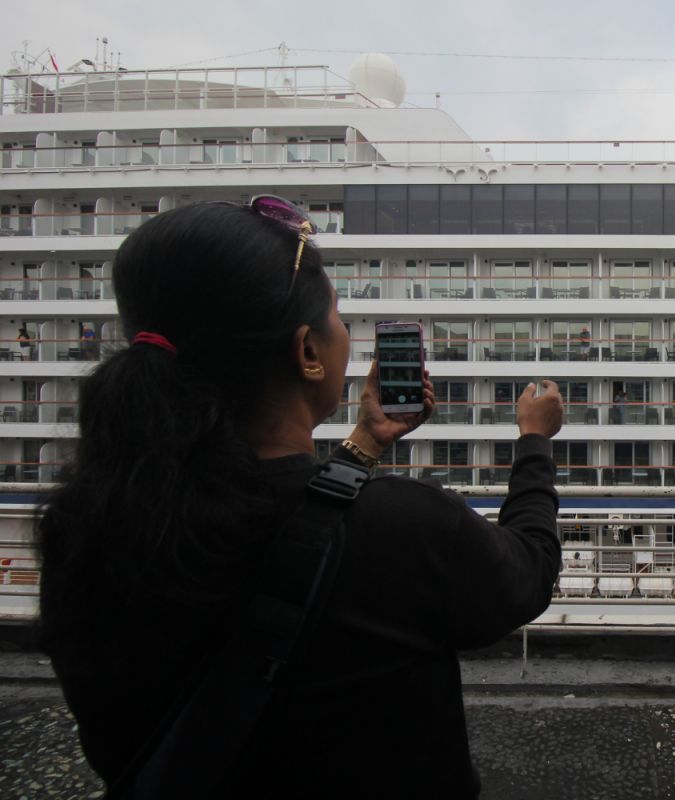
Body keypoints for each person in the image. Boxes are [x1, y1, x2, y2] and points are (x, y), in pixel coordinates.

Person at [36, 199, 565, 799]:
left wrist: (365, 442)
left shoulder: (85, 525)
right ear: (307, 353)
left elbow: (289, 523)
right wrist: (533, 441)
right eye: (336, 316)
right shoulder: (405, 527)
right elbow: (528, 572)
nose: (345, 331)